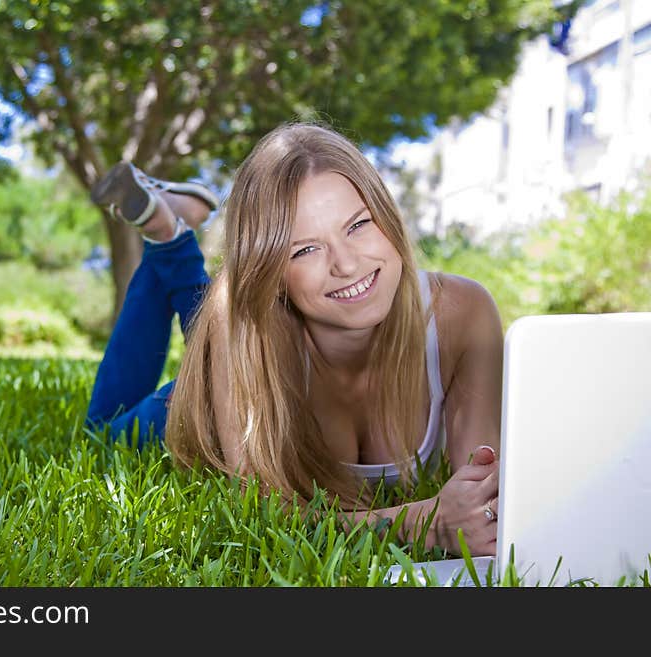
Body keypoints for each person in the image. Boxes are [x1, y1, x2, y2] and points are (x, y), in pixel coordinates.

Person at [86, 123, 503, 556]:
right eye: (304, 249)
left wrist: (476, 511)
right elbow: (261, 512)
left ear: (387, 216)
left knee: (216, 317)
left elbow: (483, 490)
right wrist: (417, 524)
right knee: (101, 431)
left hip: (279, 330)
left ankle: (169, 227)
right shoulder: (241, 320)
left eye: (358, 225)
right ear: (272, 273)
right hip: (232, 385)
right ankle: (166, 234)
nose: (346, 264)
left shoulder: (461, 312)